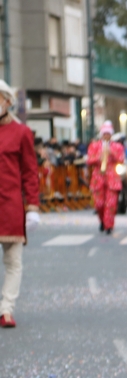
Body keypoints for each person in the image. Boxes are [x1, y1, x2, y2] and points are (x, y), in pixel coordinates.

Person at [0, 80, 40, 329]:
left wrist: (32, 207)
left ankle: (6, 309)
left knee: (13, 262)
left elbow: (29, 172)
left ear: (8, 101)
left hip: (11, 205)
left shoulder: (21, 132)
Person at [86, 121, 124, 234]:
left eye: (108, 133)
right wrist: (99, 156)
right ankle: (102, 220)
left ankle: (109, 225)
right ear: (102, 134)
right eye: (105, 133)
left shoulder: (117, 146)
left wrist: (111, 153)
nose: (106, 135)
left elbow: (121, 159)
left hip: (112, 178)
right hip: (98, 177)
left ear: (111, 134)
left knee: (111, 204)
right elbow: (89, 160)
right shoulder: (94, 146)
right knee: (99, 204)